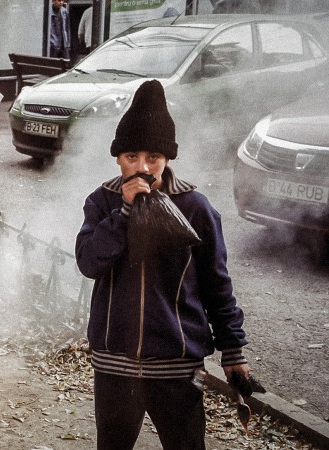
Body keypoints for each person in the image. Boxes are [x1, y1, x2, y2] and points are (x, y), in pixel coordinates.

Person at [74, 80, 251, 449]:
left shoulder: (195, 207)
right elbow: (89, 262)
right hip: (115, 366)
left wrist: (232, 350)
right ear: (118, 158)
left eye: (153, 157)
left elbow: (216, 283)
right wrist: (124, 212)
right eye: (131, 157)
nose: (142, 167)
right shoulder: (102, 202)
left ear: (168, 158)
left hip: (176, 366)